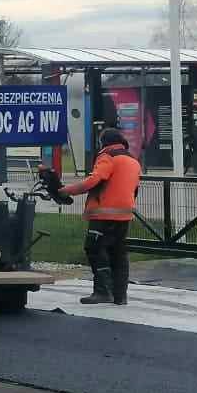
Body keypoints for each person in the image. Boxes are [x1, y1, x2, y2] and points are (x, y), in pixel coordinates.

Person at [60, 127, 141, 305]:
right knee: (118, 252)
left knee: (94, 249)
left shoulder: (108, 156)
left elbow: (95, 179)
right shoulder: (133, 160)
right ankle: (120, 296)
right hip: (124, 214)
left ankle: (103, 291)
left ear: (104, 142)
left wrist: (68, 191)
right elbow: (135, 187)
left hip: (103, 213)